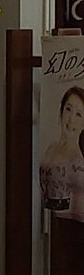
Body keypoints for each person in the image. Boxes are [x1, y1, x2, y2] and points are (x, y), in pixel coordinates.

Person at [39, 86, 84, 220]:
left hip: (71, 226)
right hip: (48, 223)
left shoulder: (79, 160)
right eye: (68, 109)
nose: (71, 120)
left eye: (78, 114)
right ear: (61, 111)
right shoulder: (51, 148)